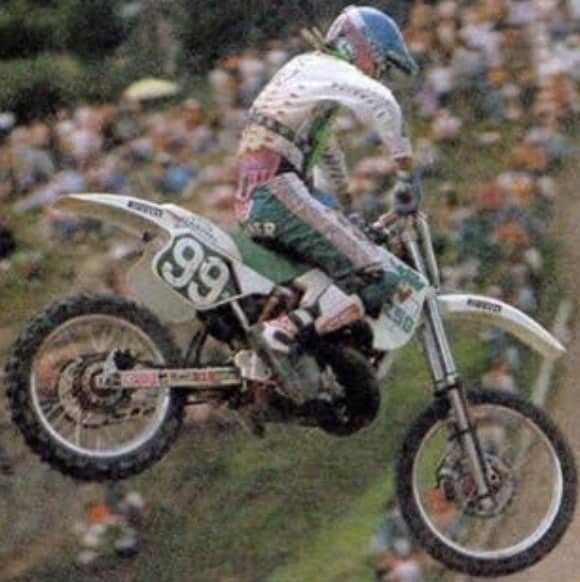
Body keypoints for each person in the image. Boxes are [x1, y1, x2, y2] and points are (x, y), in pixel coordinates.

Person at [235, 5, 421, 400]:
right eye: (381, 63)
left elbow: (328, 153)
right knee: (375, 275)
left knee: (335, 277)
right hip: (278, 191)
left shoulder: (308, 74)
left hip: (263, 196)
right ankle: (283, 332)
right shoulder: (328, 68)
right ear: (361, 47)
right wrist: (406, 175)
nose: (379, 73)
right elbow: (384, 104)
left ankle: (292, 363)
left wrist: (348, 209)